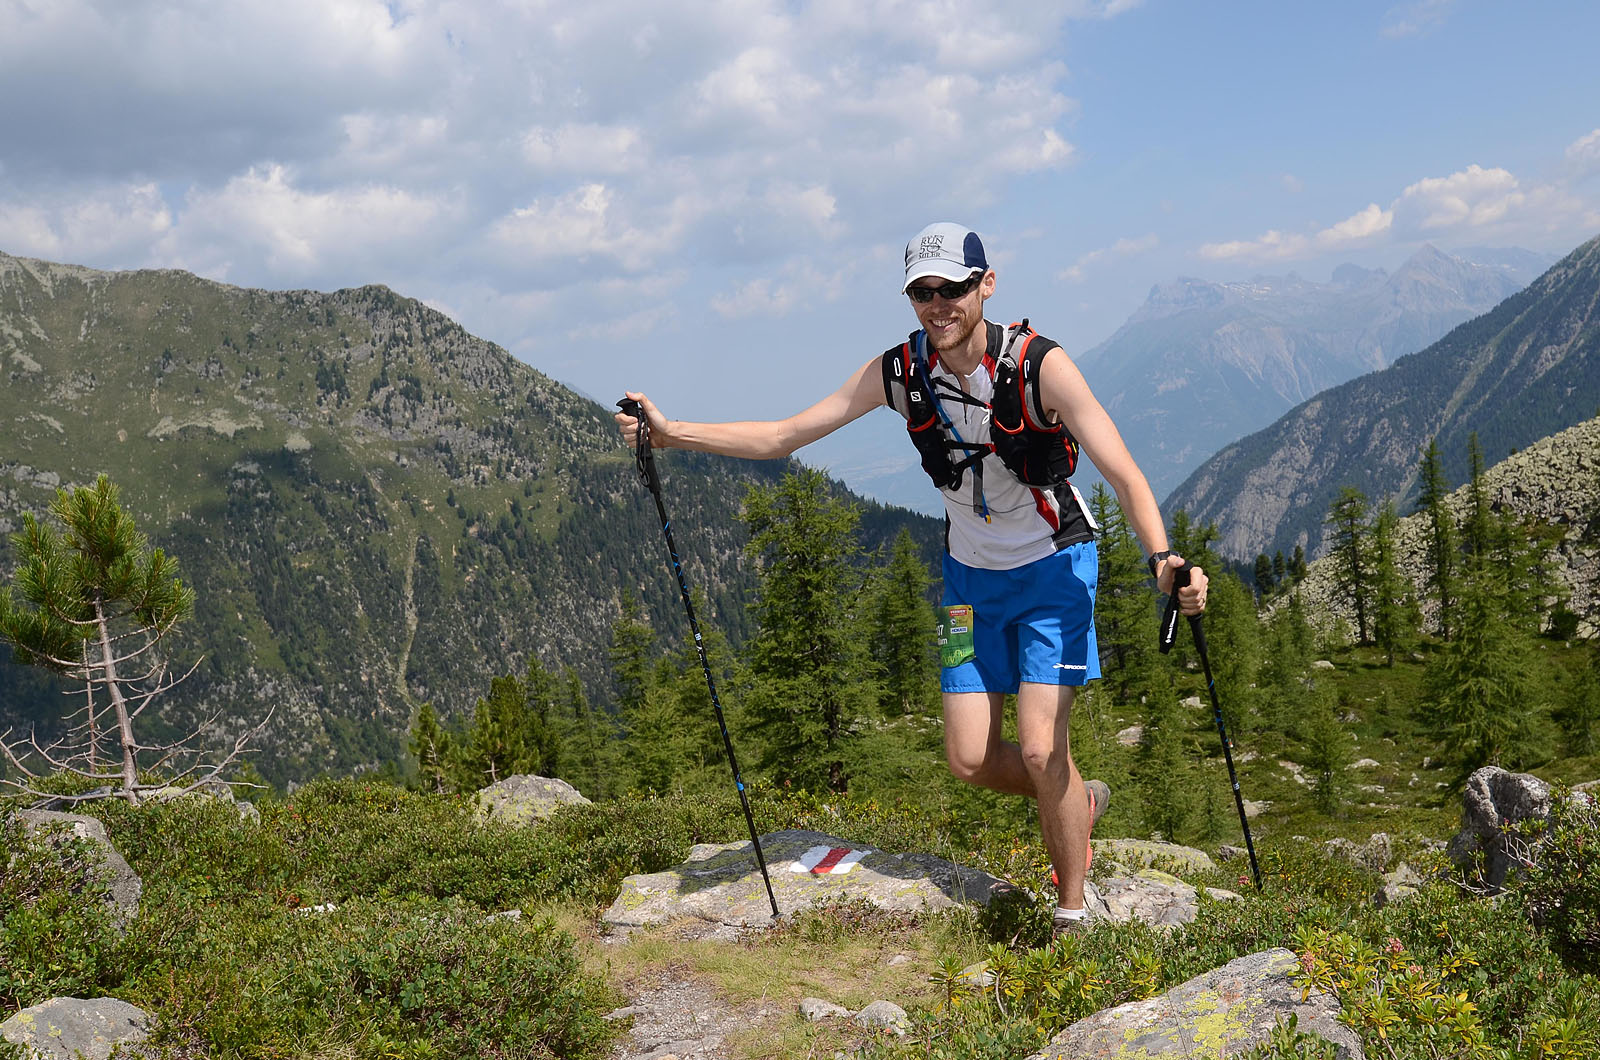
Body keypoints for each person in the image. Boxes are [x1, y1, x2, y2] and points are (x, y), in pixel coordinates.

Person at [617, 222, 1207, 938]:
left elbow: (1122, 470)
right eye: (922, 292)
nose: (938, 305)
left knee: (1042, 748)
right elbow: (785, 436)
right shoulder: (901, 373)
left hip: (1055, 573)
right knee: (967, 758)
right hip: (966, 585)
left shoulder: (1042, 368)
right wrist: (672, 432)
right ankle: (1076, 803)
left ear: (985, 285)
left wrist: (1161, 558)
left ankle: (1072, 911)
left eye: (952, 288)